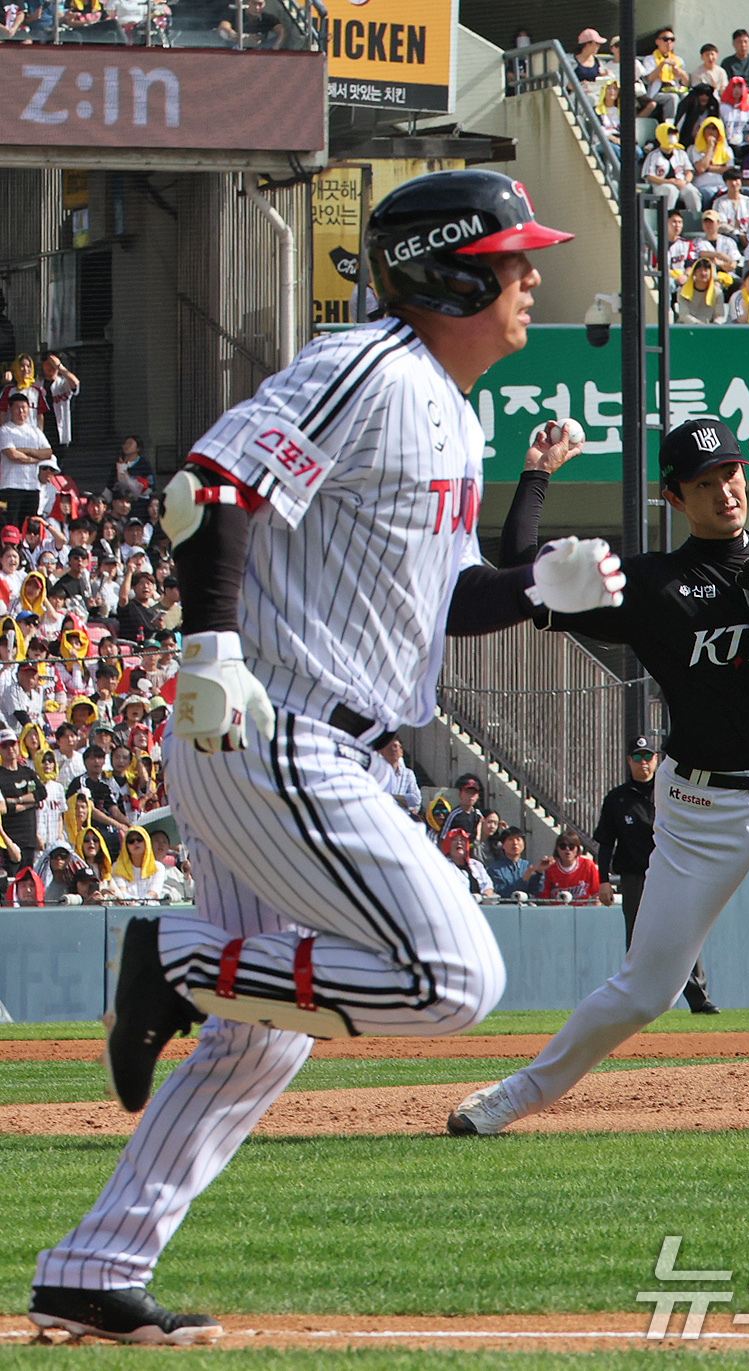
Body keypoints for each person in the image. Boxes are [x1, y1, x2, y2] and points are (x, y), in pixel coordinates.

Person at [28, 169, 628, 1345]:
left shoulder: (451, 410)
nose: (532, 278)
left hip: (316, 740)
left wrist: (533, 593)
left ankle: (95, 1269)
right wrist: (207, 643)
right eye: (511, 260)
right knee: (450, 979)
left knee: (261, 1034)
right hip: (279, 726)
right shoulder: (367, 368)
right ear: (450, 272)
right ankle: (174, 952)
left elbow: (443, 602)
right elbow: (212, 483)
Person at [447, 418, 749, 1140]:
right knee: (648, 989)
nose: (725, 491)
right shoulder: (651, 586)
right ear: (677, 497)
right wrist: (538, 471)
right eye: (704, 483)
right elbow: (520, 565)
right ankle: (513, 1096)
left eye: (731, 473)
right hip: (700, 804)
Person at [594, 736, 717, 1014]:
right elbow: (605, 843)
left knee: (685, 932)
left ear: (656, 760)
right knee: (638, 939)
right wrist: (602, 880)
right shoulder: (617, 798)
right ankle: (634, 998)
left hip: (673, 872)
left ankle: (700, 1000)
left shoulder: (671, 792)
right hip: (635, 877)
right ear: (629, 761)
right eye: (637, 757)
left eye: (648, 757)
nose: (643, 763)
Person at [0, 393, 53, 531]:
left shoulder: (35, 431)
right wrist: (34, 459)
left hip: (32, 487)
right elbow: (12, 454)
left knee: (30, 526)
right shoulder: (5, 430)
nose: (21, 411)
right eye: (17, 408)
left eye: (24, 407)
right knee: (10, 526)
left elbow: (47, 452)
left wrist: (26, 450)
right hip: (11, 486)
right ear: (10, 409)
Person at [0, 726, 43, 877]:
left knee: (28, 884)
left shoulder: (28, 771)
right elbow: (3, 808)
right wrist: (30, 802)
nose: (9, 748)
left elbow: (41, 793)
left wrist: (17, 801)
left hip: (29, 839)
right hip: (9, 841)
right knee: (11, 885)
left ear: (18, 745)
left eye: (12, 744)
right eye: (4, 745)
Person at [642, 122, 702, 213]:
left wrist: (685, 181)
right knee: (671, 190)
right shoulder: (653, 155)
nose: (672, 136)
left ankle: (695, 220)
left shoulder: (681, 153)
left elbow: (689, 171)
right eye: (670, 134)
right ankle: (666, 219)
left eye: (674, 134)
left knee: (692, 192)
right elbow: (649, 175)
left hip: (681, 183)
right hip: (662, 185)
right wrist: (668, 181)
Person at [486, 826, 548, 898]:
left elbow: (536, 890)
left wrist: (539, 872)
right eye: (510, 839)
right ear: (503, 845)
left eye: (518, 839)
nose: (515, 843)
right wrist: (524, 879)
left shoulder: (527, 865)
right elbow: (502, 892)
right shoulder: (495, 869)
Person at [540, 829, 601, 902]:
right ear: (557, 849)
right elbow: (544, 898)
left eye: (571, 847)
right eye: (563, 846)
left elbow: (596, 894)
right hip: (557, 910)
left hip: (581, 910)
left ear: (577, 849)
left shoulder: (588, 865)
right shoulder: (550, 867)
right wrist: (540, 870)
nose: (567, 850)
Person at [377, 737, 421, 814]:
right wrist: (403, 800)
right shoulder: (376, 773)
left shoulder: (408, 774)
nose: (393, 750)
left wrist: (389, 797)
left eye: (395, 746)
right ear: (381, 751)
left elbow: (416, 799)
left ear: (401, 752)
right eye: (388, 747)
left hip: (402, 818)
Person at [721, 28, 749, 100]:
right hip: (736, 95)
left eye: (745, 42)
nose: (743, 45)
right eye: (739, 42)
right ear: (734, 44)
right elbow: (726, 83)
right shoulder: (727, 62)